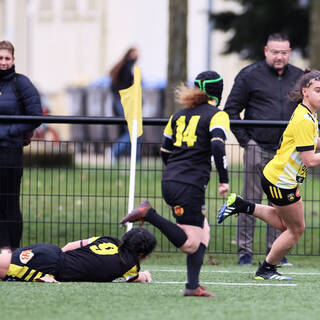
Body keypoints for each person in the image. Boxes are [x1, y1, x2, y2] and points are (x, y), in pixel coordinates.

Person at [121, 71, 230, 297]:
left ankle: (192, 286)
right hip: (188, 185)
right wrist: (224, 180)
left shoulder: (178, 115)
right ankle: (149, 214)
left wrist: (174, 172)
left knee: (204, 233)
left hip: (172, 180)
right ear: (218, 92)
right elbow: (218, 147)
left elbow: (165, 150)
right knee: (190, 244)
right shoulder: (217, 115)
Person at [218, 70, 320, 280]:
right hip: (281, 181)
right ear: (305, 92)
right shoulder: (305, 119)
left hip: (280, 177)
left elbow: (308, 143)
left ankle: (242, 205)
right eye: (318, 90)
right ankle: (266, 269)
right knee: (295, 229)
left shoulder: (309, 114)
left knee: (287, 226)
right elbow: (310, 160)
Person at [224, 33, 303, 265]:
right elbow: (231, 110)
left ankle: (276, 251)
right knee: (250, 200)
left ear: (289, 52)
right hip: (257, 147)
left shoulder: (300, 78)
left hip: (288, 153)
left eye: (284, 52)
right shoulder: (249, 75)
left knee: (282, 204)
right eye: (275, 52)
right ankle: (245, 252)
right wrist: (246, 141)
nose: (280, 57)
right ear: (266, 51)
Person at [0, 40, 42, 254]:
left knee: (9, 202)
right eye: (0, 58)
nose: (3, 62)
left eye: (7, 58)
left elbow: (35, 116)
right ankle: (2, 248)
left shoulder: (21, 83)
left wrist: (9, 132)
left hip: (10, 151)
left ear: (13, 60)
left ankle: (13, 249)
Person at [0, 227, 156, 283]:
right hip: (49, 267)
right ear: (142, 253)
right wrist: (146, 275)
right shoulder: (130, 266)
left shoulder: (108, 240)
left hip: (51, 252)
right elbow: (137, 277)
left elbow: (68, 246)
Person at [109, 47, 141, 160]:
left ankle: (135, 158)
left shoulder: (123, 67)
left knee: (133, 131)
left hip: (121, 102)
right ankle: (114, 151)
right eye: (134, 54)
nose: (136, 57)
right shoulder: (127, 68)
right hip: (125, 103)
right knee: (133, 131)